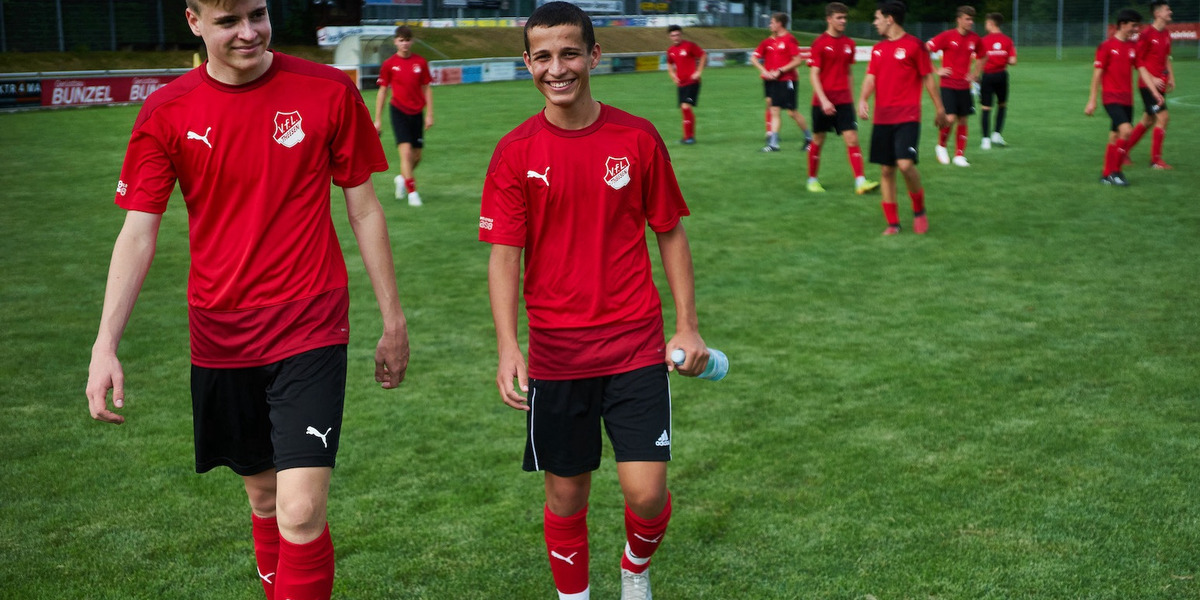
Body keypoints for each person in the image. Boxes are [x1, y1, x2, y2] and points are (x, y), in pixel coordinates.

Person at [85, 2, 412, 599]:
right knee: (265, 500)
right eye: (228, 19)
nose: (248, 31)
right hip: (221, 331)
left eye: (257, 14)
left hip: (310, 321)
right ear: (194, 22)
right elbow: (138, 231)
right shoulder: (166, 111)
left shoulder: (327, 91)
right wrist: (106, 343)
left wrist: (394, 320)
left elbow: (363, 207)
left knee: (301, 509)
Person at [479, 3, 710, 599]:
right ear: (527, 62)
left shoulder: (636, 136)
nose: (558, 69)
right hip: (558, 356)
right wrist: (509, 347)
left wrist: (686, 326)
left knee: (647, 494)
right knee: (566, 496)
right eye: (544, 57)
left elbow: (670, 230)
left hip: (634, 343)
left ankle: (635, 566)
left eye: (570, 53)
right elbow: (505, 255)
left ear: (594, 56)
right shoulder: (515, 151)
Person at [858, 0, 949, 235]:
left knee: (905, 165)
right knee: (886, 171)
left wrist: (940, 108)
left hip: (908, 116)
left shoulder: (915, 46)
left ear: (890, 19)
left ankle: (919, 210)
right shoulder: (878, 49)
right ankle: (893, 223)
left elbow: (928, 77)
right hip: (882, 118)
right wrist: (863, 99)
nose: (874, 22)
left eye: (877, 18)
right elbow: (871, 77)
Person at [806, 2, 879, 195]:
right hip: (823, 101)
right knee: (818, 140)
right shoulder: (820, 43)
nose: (843, 21)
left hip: (844, 101)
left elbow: (848, 73)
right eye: (839, 17)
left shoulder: (849, 44)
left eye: (845, 18)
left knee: (852, 138)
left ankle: (860, 182)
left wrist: (853, 99)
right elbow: (814, 74)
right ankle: (812, 180)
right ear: (829, 19)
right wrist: (823, 100)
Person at [1085, 8, 1148, 186]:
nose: (1136, 29)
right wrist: (1092, 100)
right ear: (1122, 24)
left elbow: (1141, 69)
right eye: (1133, 26)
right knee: (1126, 130)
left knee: (1114, 136)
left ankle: (1106, 174)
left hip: (1127, 100)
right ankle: (1116, 172)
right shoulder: (1106, 46)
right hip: (1111, 98)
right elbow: (1097, 75)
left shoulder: (1132, 47)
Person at [374, 25, 434, 207]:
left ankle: (402, 178)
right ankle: (412, 192)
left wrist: (429, 114)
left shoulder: (421, 63)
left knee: (417, 156)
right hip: (398, 111)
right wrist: (377, 119)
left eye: (407, 40)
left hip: (417, 113)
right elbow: (382, 92)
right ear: (395, 42)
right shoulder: (389, 64)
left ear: (412, 41)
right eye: (401, 40)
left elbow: (427, 88)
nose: (404, 44)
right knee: (406, 153)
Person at [926, 6, 981, 166]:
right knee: (950, 118)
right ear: (959, 20)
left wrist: (976, 73)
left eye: (972, 19)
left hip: (965, 86)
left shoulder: (974, 38)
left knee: (963, 120)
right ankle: (941, 146)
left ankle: (959, 155)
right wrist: (937, 70)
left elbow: (983, 55)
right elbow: (925, 50)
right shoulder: (947, 36)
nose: (970, 22)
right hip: (948, 85)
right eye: (967, 19)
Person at [751, 12, 813, 152]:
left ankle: (809, 139)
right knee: (774, 110)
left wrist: (780, 71)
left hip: (787, 80)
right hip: (773, 81)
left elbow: (797, 60)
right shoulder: (771, 41)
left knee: (792, 113)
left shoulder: (789, 39)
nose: (770, 25)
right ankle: (773, 144)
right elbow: (754, 58)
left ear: (779, 24)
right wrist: (764, 71)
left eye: (772, 22)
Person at [1127, 0, 1175, 169]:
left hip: (1160, 86)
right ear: (1157, 13)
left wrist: (1171, 77)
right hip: (1147, 86)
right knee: (1163, 117)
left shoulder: (1167, 34)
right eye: (1167, 10)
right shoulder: (1146, 34)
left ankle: (1123, 151)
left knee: (1148, 120)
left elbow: (1166, 58)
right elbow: (1138, 61)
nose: (1171, 12)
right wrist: (1152, 79)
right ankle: (1156, 161)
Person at [975, 12, 1016, 150]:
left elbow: (979, 59)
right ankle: (997, 134)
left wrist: (976, 75)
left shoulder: (983, 41)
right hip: (1001, 76)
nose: (985, 25)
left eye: (986, 23)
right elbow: (1013, 60)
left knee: (986, 108)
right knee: (1002, 104)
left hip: (987, 77)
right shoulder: (1007, 40)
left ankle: (985, 140)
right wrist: (1002, 58)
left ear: (991, 23)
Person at [666, 24, 706, 145]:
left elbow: (703, 55)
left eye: (677, 35)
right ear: (670, 37)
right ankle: (687, 137)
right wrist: (673, 76)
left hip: (692, 82)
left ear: (681, 35)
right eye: (673, 35)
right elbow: (669, 64)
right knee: (684, 110)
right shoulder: (671, 51)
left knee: (685, 107)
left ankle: (690, 137)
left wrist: (698, 71)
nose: (675, 37)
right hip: (681, 84)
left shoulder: (689, 46)